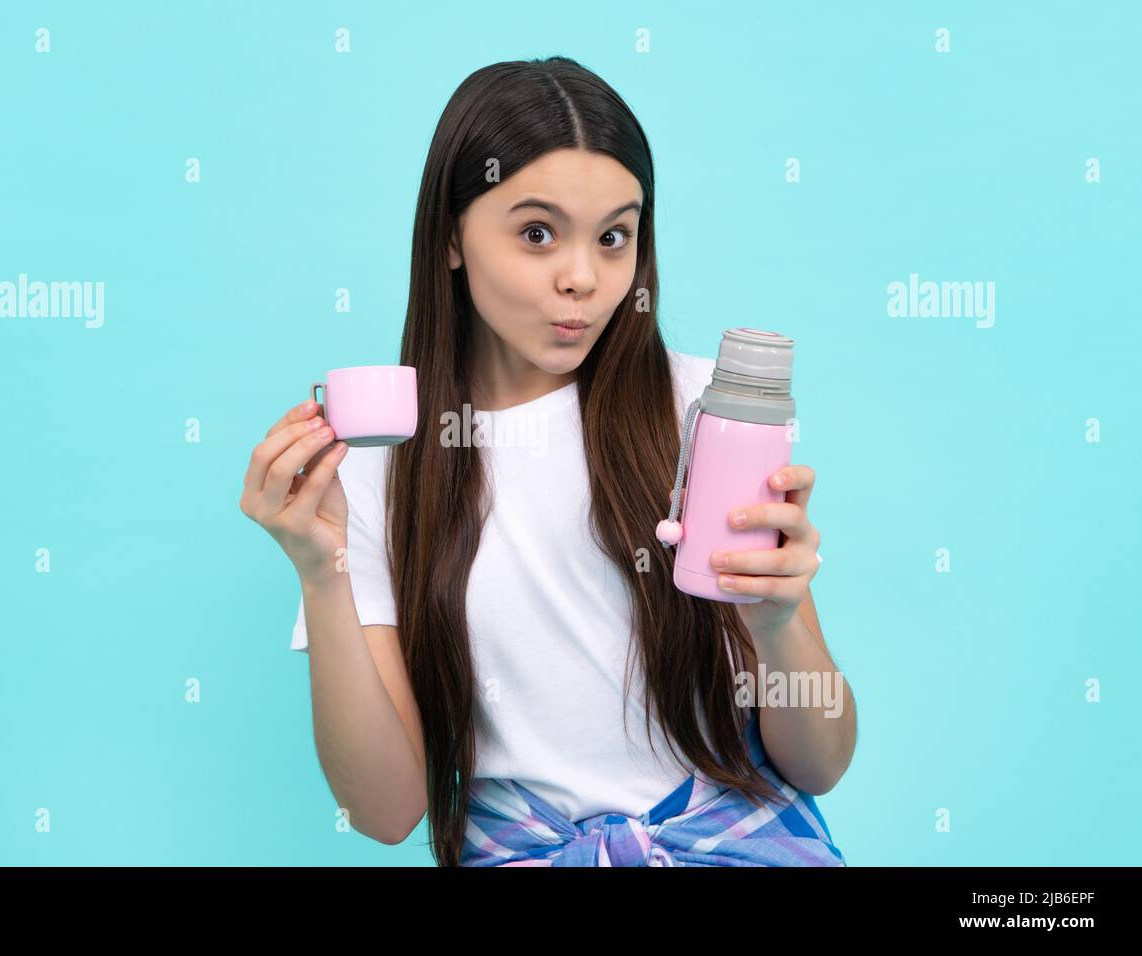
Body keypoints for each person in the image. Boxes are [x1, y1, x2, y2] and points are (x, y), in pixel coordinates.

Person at [239, 56, 855, 866]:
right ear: (452, 236)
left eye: (614, 238)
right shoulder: (374, 469)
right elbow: (385, 813)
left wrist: (778, 623)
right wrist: (321, 574)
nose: (583, 279)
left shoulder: (705, 409)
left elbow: (821, 763)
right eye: (537, 233)